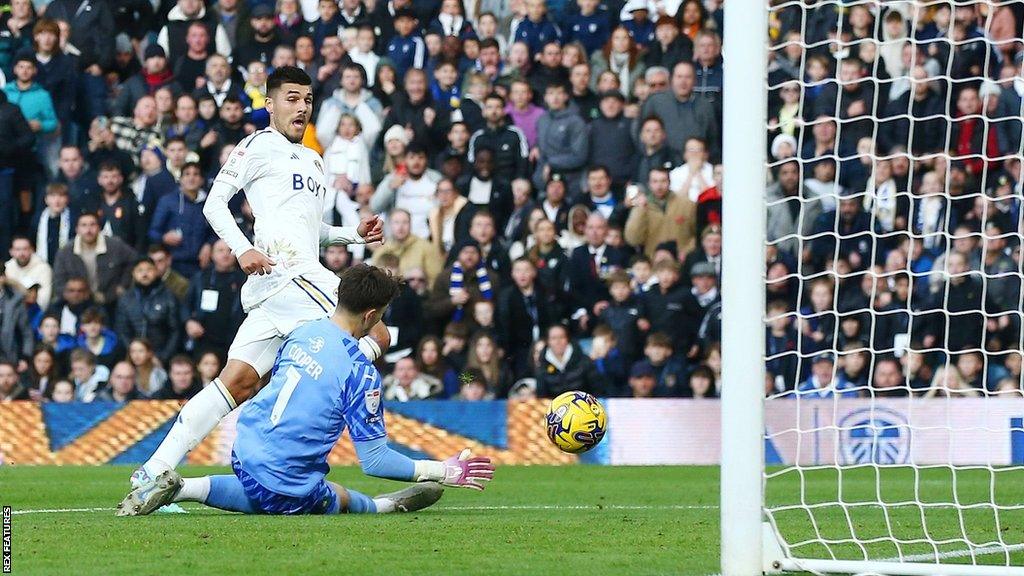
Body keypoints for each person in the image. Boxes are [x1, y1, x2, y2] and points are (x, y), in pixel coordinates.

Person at [120, 66, 387, 509]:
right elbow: (213, 204)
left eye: (307, 100)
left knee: (236, 383)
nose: (301, 107)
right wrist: (242, 249)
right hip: (290, 275)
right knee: (376, 332)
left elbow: (309, 229)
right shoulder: (257, 146)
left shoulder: (315, 161)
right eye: (292, 99)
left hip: (284, 283)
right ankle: (327, 418)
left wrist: (354, 235)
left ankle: (151, 473)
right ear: (270, 103)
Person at [120, 264, 494, 516]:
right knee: (332, 498)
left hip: (245, 447)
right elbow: (375, 461)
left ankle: (181, 486)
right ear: (371, 316)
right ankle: (384, 507)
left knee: (265, 483)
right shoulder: (362, 375)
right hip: (284, 477)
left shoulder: (302, 331)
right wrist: (441, 469)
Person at [52, 212, 137, 306]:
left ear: (99, 228)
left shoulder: (115, 245)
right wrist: (70, 295)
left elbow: (133, 260)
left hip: (111, 301)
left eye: (92, 225)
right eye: (84, 225)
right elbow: (58, 280)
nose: (88, 230)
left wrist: (123, 285)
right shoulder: (65, 252)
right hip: (77, 303)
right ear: (77, 229)